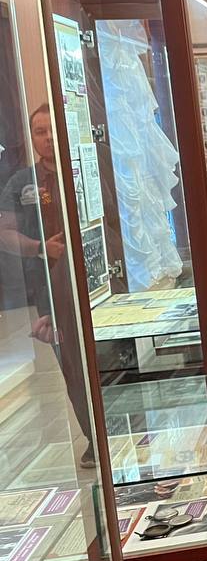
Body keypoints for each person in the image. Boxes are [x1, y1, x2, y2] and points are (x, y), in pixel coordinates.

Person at [0, 106, 92, 467]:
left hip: (93, 283)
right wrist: (40, 248)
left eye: (54, 130)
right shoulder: (21, 182)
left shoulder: (85, 169)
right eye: (40, 131)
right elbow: (5, 233)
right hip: (49, 291)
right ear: (32, 137)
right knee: (70, 364)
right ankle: (93, 437)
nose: (49, 138)